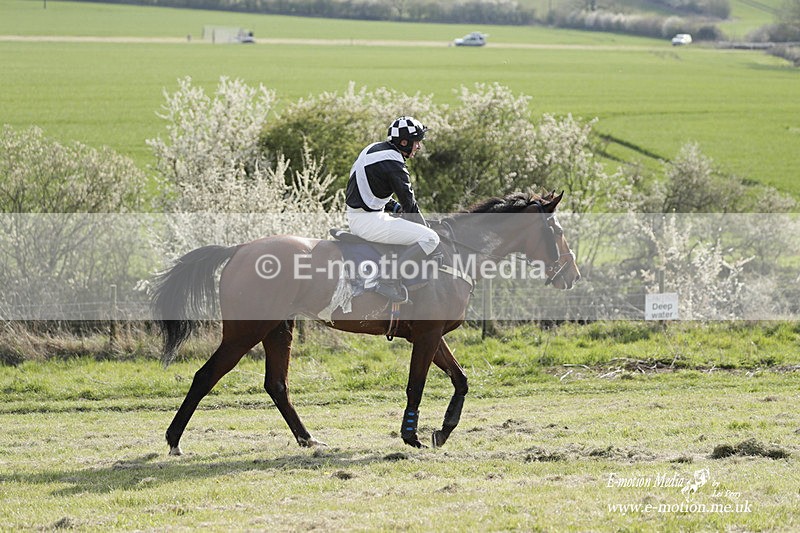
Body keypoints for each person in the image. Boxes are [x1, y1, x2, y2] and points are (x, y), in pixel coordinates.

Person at [345, 116, 441, 302]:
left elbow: (369, 188)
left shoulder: (375, 149)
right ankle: (387, 281)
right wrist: (426, 229)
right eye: (416, 142)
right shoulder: (394, 162)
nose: (418, 147)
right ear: (404, 142)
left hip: (360, 216)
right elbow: (409, 202)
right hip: (369, 222)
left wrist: (393, 205)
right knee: (430, 238)